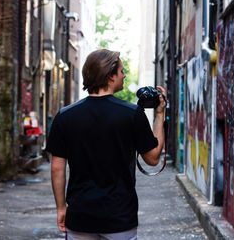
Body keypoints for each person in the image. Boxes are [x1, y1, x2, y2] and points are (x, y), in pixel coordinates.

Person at [46, 49, 166, 240]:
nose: (124, 75)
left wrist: (61, 208)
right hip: (119, 217)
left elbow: (57, 168)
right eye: (121, 71)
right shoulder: (131, 114)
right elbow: (152, 159)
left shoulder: (65, 116)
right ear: (110, 75)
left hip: (80, 216)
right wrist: (160, 115)